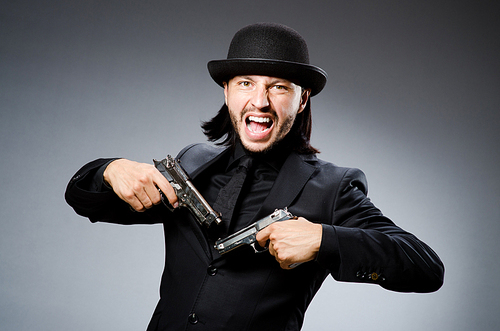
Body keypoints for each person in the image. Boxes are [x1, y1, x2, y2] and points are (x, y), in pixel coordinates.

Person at [65, 22, 444, 330]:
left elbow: (426, 268)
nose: (260, 101)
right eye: (246, 83)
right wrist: (109, 169)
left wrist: (324, 239)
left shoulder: (333, 188)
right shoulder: (193, 162)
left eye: (278, 87)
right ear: (227, 90)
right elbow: (83, 199)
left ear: (303, 98)